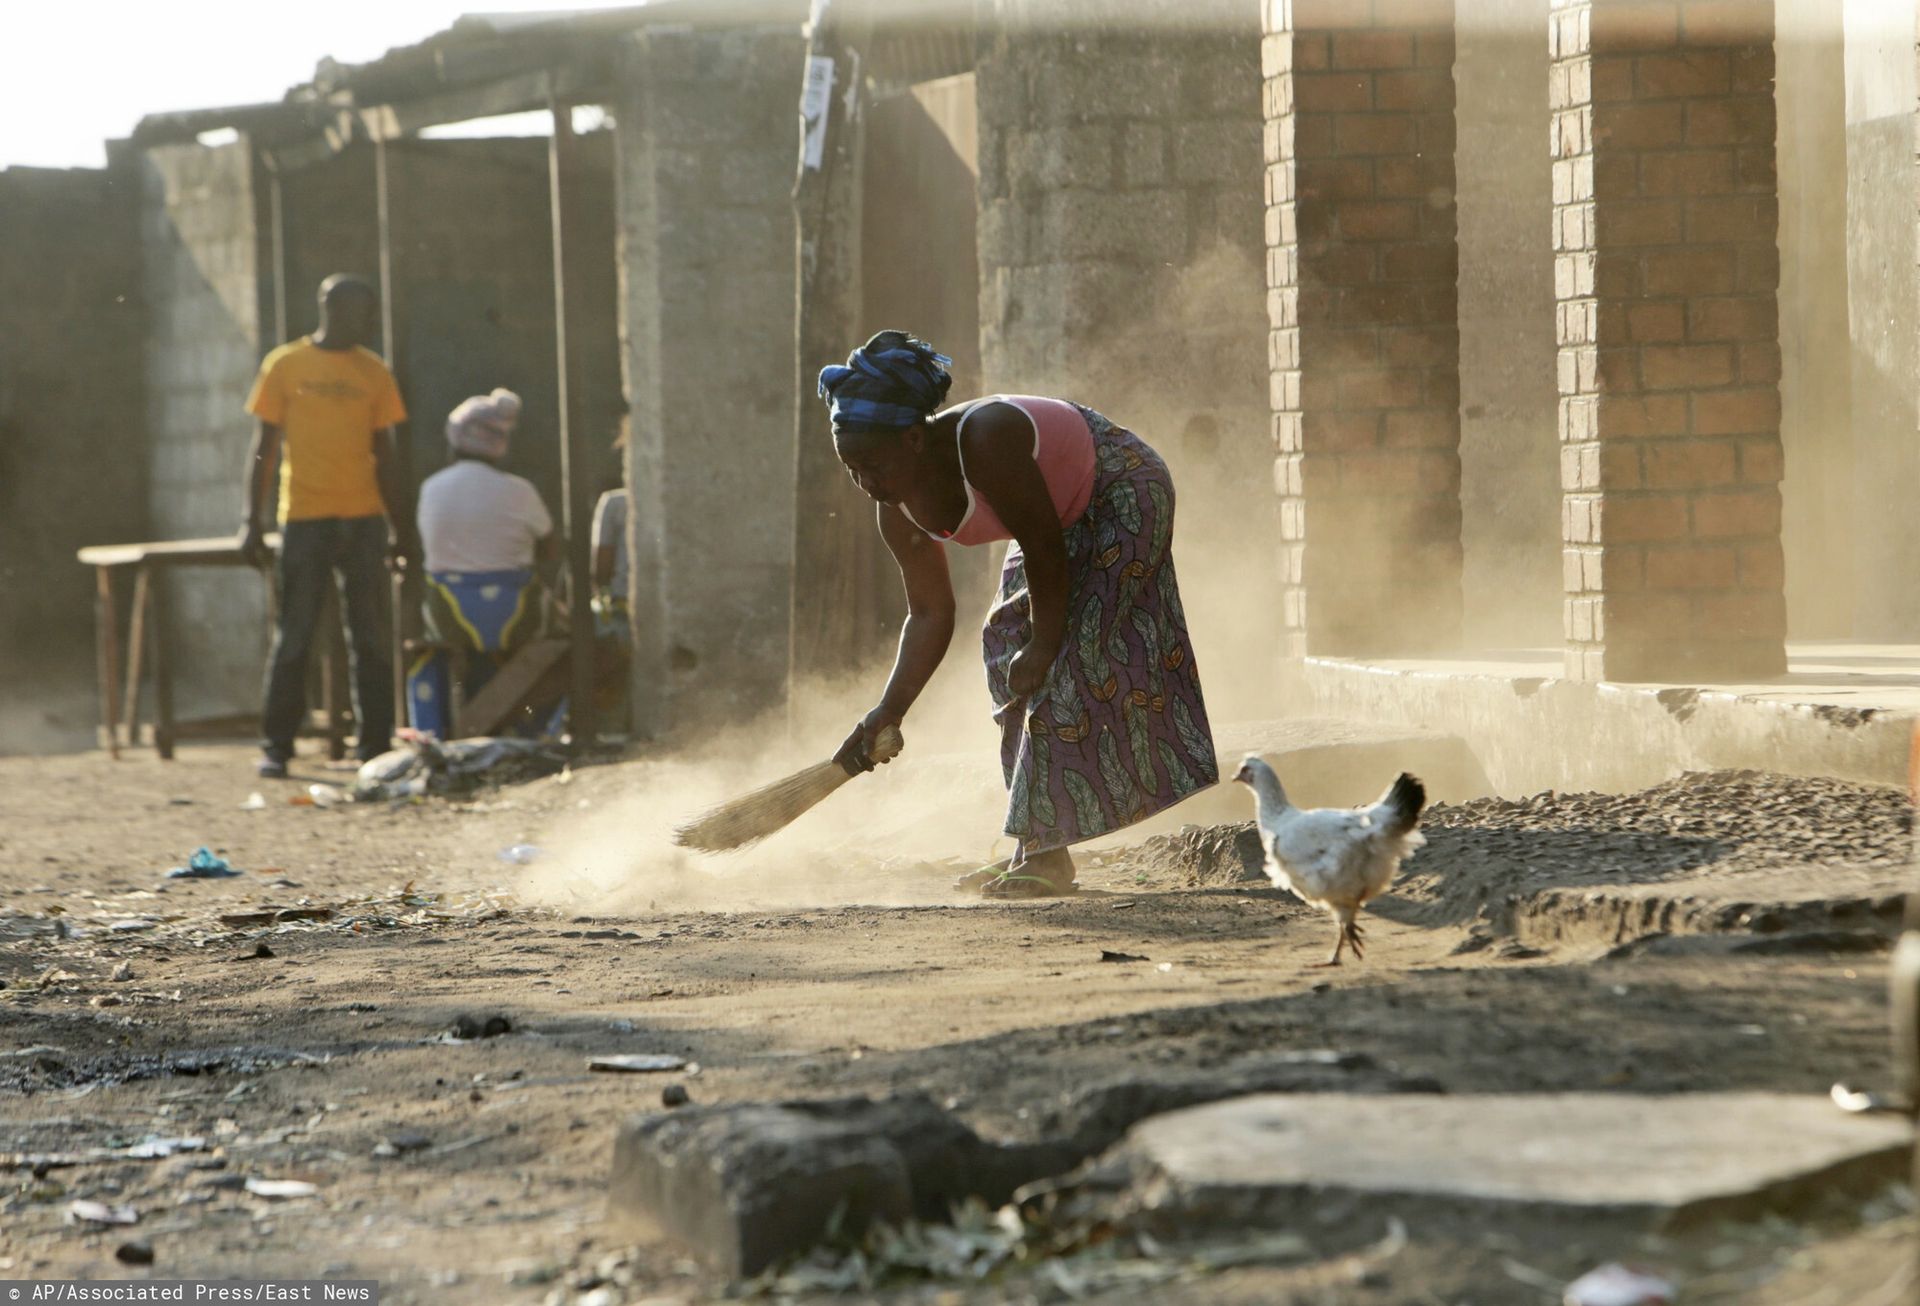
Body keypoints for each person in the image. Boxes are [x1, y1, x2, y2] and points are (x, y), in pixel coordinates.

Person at [822, 331, 1218, 898]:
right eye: (849, 468)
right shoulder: (895, 510)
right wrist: (889, 711)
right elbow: (931, 613)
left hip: (1121, 488)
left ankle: (1046, 854)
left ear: (913, 438)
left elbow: (1043, 546)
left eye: (871, 465)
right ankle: (1032, 841)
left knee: (1058, 659)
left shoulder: (985, 441)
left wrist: (1046, 641)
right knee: (1004, 646)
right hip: (1051, 521)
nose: (864, 484)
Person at [240, 274, 412, 779]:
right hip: (305, 519)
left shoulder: (375, 373)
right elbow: (263, 447)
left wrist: (402, 528)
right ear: (328, 309)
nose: (362, 321)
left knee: (371, 638)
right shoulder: (286, 364)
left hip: (363, 520)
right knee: (295, 635)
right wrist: (252, 519)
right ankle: (276, 747)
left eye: (367, 312)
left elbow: (386, 456)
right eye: (353, 311)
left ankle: (375, 748)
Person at [408, 389, 557, 737]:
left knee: (430, 649)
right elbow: (550, 547)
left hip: (450, 614)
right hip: (515, 614)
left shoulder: (431, 488)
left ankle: (431, 734)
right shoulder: (521, 490)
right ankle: (531, 731)